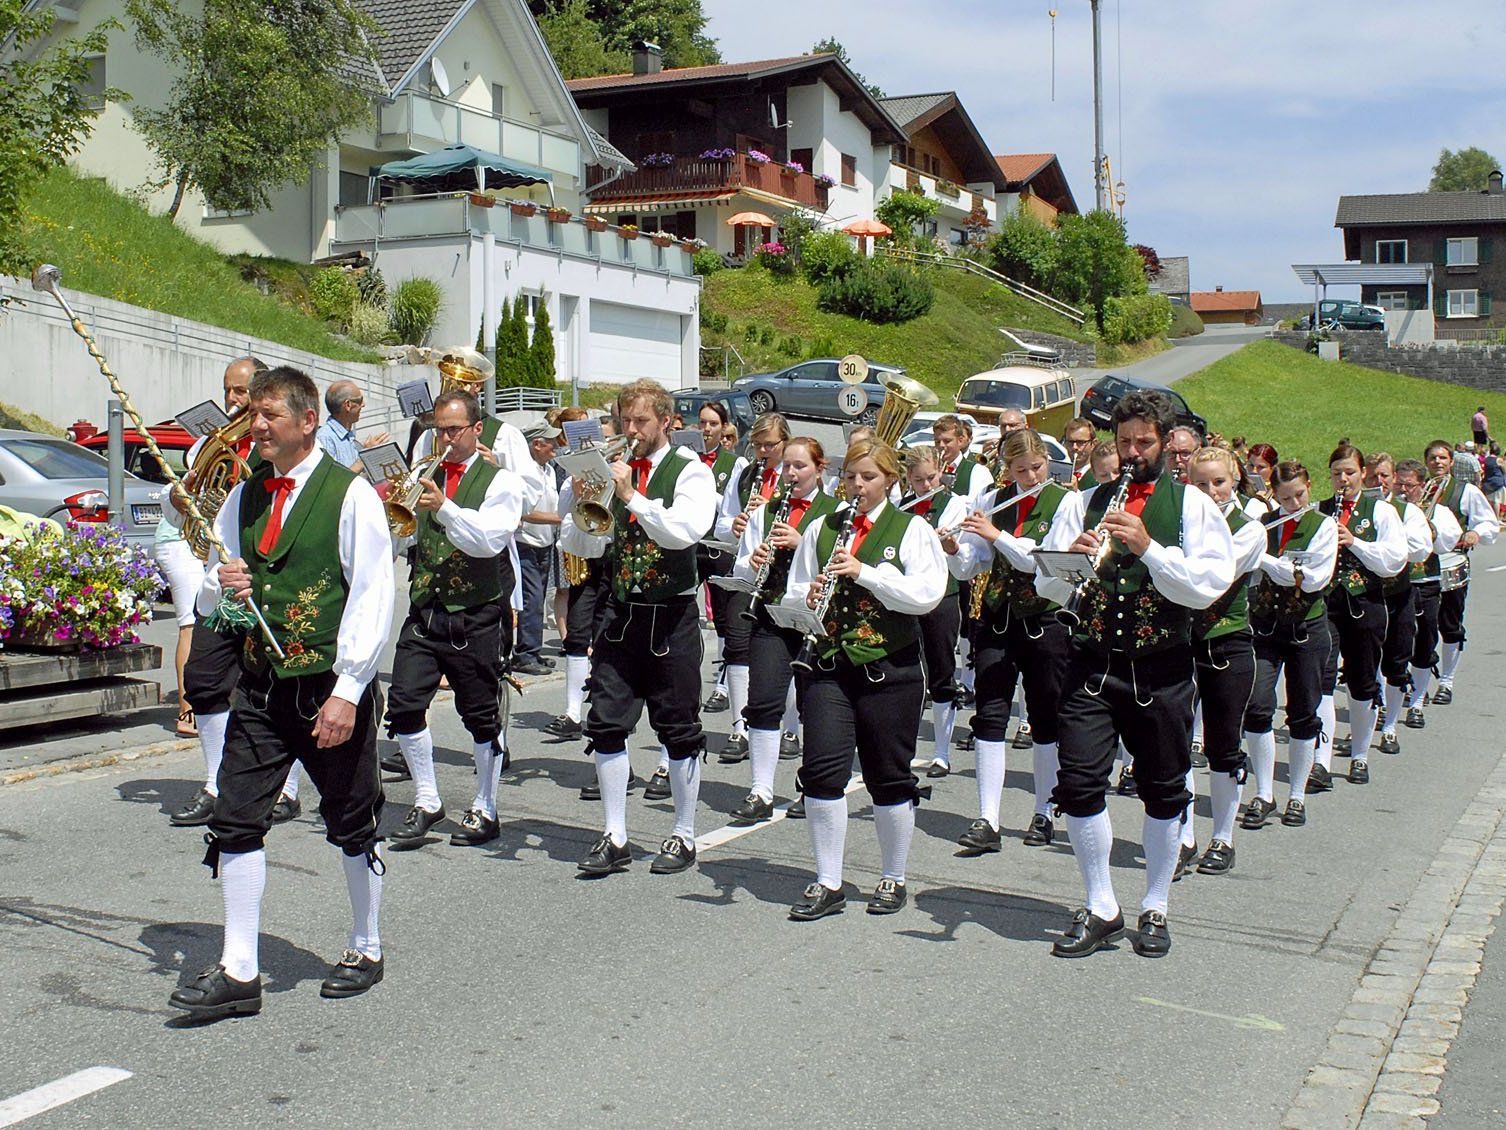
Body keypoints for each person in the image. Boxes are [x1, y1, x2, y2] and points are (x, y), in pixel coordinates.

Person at [169, 365, 394, 1019]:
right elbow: (215, 591)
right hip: (262, 684)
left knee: (352, 821)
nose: (257, 425)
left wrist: (349, 691)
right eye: (255, 413)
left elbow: (374, 597)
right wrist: (225, 582)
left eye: (270, 415)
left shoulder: (351, 497)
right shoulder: (244, 495)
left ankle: (366, 945)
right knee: (236, 817)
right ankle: (241, 971)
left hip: (327, 683)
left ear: (306, 422)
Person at [1036, 388, 1234, 959]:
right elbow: (1046, 583)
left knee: (1164, 789)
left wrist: (1148, 548)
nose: (1131, 453)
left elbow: (1205, 586)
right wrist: (1069, 561)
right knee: (1076, 784)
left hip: (1162, 665)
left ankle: (1155, 904)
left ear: (1166, 441)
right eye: (1123, 442)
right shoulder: (1084, 501)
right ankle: (1101, 905)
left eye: (1143, 442)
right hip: (1092, 662)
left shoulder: (1192, 505)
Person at [783, 438, 947, 920]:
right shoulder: (821, 527)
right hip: (829, 665)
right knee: (821, 771)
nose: (857, 486)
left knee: (888, 776)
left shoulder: (912, 529)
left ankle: (893, 875)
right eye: (851, 477)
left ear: (890, 481)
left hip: (889, 666)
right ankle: (827, 880)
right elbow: (793, 591)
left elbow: (926, 595)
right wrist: (806, 596)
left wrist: (865, 572)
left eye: (869, 477)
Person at [560, 380, 717, 877]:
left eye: (641, 422)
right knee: (605, 722)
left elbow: (684, 532)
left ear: (666, 423)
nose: (631, 430)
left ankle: (684, 833)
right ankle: (615, 834)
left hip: (672, 615)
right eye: (625, 420)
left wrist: (631, 495)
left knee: (677, 728)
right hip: (622, 612)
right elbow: (582, 548)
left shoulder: (690, 471)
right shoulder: (614, 468)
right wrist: (583, 503)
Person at [385, 390, 526, 851]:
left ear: (476, 429)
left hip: (477, 612)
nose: (443, 439)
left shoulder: (501, 482)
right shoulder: (425, 474)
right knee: (404, 704)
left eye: (453, 430)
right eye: (438, 430)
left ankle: (485, 807)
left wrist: (442, 506)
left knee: (481, 718)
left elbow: (487, 541)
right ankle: (427, 799)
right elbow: (402, 537)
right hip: (426, 608)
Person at [168, 356, 304, 829]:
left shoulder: (286, 446)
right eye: (229, 390)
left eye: (242, 392)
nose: (232, 401)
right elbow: (185, 519)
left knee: (281, 687)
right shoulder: (213, 444)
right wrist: (181, 499)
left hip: (272, 583)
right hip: (219, 583)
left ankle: (286, 789)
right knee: (204, 682)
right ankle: (214, 782)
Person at [946, 430, 1074, 849]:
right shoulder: (991, 499)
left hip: (1044, 619)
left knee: (1043, 715)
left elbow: (1045, 563)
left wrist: (996, 535)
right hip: (997, 618)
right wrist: (953, 549)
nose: (1030, 476)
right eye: (1020, 470)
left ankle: (1043, 812)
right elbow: (973, 565)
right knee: (990, 714)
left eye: (1036, 467)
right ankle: (987, 819)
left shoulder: (1065, 501)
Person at [727, 436, 839, 823]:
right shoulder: (766, 510)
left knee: (815, 707)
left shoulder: (836, 512)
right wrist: (754, 559)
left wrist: (802, 542)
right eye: (786, 467)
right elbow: (741, 568)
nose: (791, 475)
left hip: (816, 622)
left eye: (800, 467)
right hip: (772, 614)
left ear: (820, 469)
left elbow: (843, 565)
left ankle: (812, 784)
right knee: (763, 701)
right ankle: (761, 789)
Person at [1240, 461, 1338, 837]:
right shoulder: (1264, 523)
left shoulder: (1323, 525)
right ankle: (1264, 793)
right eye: (1285, 498)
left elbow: (1312, 580)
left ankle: (1297, 793)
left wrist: (1263, 559)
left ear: (1308, 487)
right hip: (1267, 626)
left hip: (1307, 627)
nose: (1294, 503)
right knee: (1258, 704)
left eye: (1299, 494)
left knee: (1303, 711)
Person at [1178, 447, 1262, 868]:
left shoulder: (1250, 527)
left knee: (1223, 744)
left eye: (1219, 482)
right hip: (1179, 640)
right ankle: (1184, 835)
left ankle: (1223, 839)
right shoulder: (1179, 520)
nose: (1210, 492)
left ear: (1234, 481)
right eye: (1200, 483)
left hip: (1226, 640)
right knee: (1175, 742)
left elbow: (1214, 577)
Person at [1317, 442, 1407, 784]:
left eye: (1350, 473)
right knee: (1321, 679)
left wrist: (1354, 541)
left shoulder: (1381, 511)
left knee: (1362, 680)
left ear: (1363, 474)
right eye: (1337, 473)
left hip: (1365, 603)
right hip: (1325, 604)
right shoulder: (1320, 510)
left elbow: (1394, 560)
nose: (1343, 479)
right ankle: (1320, 760)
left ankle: (1359, 754)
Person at [711, 413, 789, 762]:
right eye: (757, 445)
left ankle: (790, 728)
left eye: (769, 445)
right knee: (738, 647)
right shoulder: (746, 475)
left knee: (784, 652)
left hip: (785, 575)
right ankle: (740, 729)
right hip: (745, 570)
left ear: (784, 442)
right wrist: (739, 524)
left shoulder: (796, 473)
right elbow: (723, 524)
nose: (762, 452)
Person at [896, 445, 970, 778]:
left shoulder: (954, 504)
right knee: (909, 672)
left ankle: (941, 752)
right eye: (918, 480)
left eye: (931, 478)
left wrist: (946, 541)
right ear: (908, 479)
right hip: (908, 595)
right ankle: (904, 749)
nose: (926, 485)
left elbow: (956, 550)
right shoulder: (901, 507)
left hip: (943, 594)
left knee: (942, 670)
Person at [1417, 440, 1500, 707]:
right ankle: (1419, 683)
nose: (1437, 462)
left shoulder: (1466, 492)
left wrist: (1476, 532)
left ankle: (1447, 681)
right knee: (1420, 627)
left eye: (1442, 458)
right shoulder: (1420, 490)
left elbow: (1487, 521)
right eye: (1432, 458)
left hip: (1451, 563)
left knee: (1449, 625)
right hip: (1420, 567)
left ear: (1451, 461)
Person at [1364, 452, 1433, 757]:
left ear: (1392, 478)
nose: (1378, 482)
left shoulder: (1407, 511)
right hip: (1363, 597)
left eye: (1384, 476)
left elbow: (1421, 551)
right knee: (1363, 665)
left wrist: (1391, 533)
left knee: (1396, 662)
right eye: (1372, 475)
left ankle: (1390, 726)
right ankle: (1365, 724)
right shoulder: (1354, 509)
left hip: (1398, 594)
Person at [1395, 458, 1462, 731]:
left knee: (1424, 643)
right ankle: (1388, 702)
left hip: (1425, 582)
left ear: (1421, 486)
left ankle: (1418, 701)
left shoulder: (1439, 511)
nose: (1402, 489)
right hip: (1394, 584)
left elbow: (1448, 540)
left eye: (1408, 485)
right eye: (1398, 483)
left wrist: (1426, 526)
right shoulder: (1388, 509)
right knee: (1393, 647)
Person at [694, 400, 748, 716]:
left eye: (713, 423)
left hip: (719, 546)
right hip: (690, 544)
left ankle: (723, 684)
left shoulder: (735, 463)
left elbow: (732, 509)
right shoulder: (687, 459)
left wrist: (704, 484)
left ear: (723, 427)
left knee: (724, 620)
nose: (706, 429)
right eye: (702, 423)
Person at [514, 420, 564, 676]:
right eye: (551, 441)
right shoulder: (525, 472)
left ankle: (532, 650)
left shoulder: (549, 471)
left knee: (539, 598)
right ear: (537, 444)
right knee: (531, 600)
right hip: (526, 543)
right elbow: (526, 512)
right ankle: (524, 654)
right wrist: (562, 519)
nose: (556, 444)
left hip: (544, 542)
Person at [316, 380, 390, 471]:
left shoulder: (348, 436)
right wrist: (365, 456)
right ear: (348, 405)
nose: (363, 405)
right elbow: (330, 483)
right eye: (360, 400)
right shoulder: (325, 438)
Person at [932, 414, 992, 500]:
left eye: (947, 441)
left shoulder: (978, 472)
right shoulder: (930, 468)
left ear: (960, 441)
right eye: (937, 441)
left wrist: (942, 489)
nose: (941, 445)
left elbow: (974, 504)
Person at [1062, 417, 1097, 487]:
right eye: (1070, 442)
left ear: (1093, 444)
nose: (1074, 447)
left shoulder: (1098, 475)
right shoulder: (1061, 472)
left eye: (1080, 442)